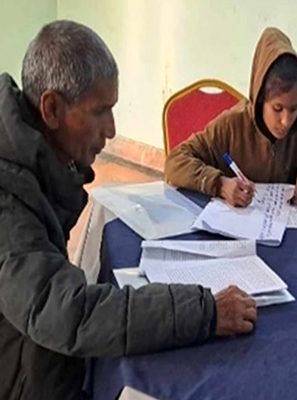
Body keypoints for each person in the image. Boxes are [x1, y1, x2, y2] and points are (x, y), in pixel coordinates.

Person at [0, 20, 256, 400]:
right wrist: (203, 311)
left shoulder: (34, 160)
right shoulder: (7, 201)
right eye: (100, 111)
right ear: (52, 108)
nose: (112, 129)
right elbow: (67, 313)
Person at [165, 27, 297, 212]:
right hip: (234, 229)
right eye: (277, 108)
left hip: (279, 226)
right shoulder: (231, 125)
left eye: (294, 108)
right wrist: (220, 184)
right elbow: (175, 162)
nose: (286, 120)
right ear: (260, 99)